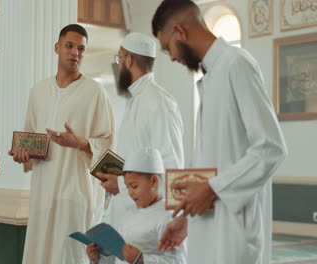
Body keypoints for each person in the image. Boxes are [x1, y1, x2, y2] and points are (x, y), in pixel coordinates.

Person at [151, 1, 288, 263]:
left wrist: (212, 188)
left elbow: (272, 148)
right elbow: (220, 160)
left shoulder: (236, 64)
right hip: (211, 225)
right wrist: (187, 222)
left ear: (180, 31)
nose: (171, 57)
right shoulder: (213, 74)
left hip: (235, 231)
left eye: (167, 48)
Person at [10, 24, 115, 264]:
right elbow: (30, 139)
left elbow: (108, 144)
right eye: (69, 46)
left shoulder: (95, 92)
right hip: (42, 195)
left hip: (75, 196)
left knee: (69, 256)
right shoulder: (38, 91)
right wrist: (23, 154)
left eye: (81, 49)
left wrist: (81, 143)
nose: (75, 53)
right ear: (57, 48)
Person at [96, 32, 185, 229]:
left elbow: (171, 166)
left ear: (128, 60)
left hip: (149, 220)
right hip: (126, 213)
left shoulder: (159, 102)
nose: (118, 65)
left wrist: (119, 185)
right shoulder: (135, 98)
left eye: (119, 58)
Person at [86, 149, 187, 264]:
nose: (130, 193)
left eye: (134, 186)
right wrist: (98, 258)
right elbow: (120, 258)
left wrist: (142, 260)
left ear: (154, 181)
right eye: (127, 187)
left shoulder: (169, 216)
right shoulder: (129, 214)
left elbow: (179, 260)